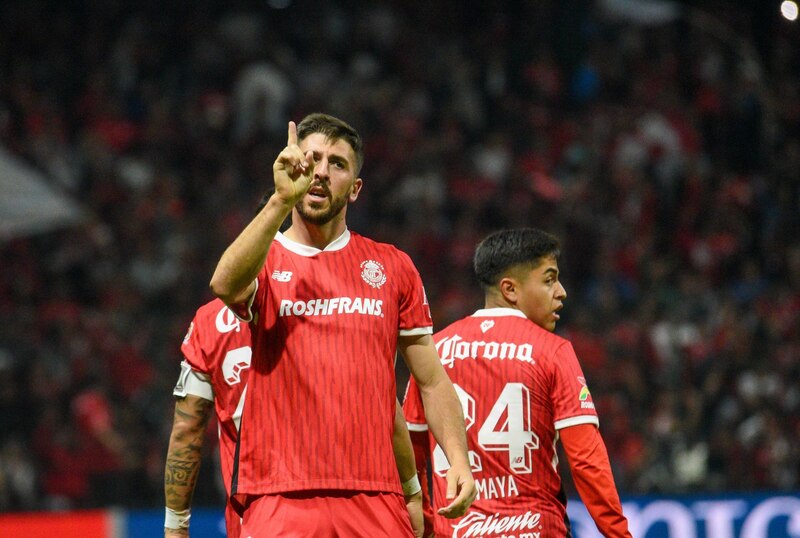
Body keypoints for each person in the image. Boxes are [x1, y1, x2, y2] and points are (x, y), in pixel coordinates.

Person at [208, 112, 476, 536]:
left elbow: (431, 380)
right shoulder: (265, 259)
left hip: (374, 496)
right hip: (280, 495)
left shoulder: (392, 266)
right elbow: (223, 284)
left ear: (354, 189)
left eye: (336, 163)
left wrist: (458, 459)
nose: (319, 172)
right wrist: (279, 201)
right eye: (311, 158)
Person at [403, 228, 632, 537]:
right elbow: (587, 461)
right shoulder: (553, 351)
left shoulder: (433, 353)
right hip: (536, 529)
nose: (561, 291)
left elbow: (410, 458)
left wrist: (427, 529)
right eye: (549, 279)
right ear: (510, 290)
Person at [164, 298, 426, 537]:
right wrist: (412, 490)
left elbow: (188, 428)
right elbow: (378, 400)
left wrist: (176, 526)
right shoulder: (329, 301)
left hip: (264, 514)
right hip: (356, 505)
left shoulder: (209, 322)